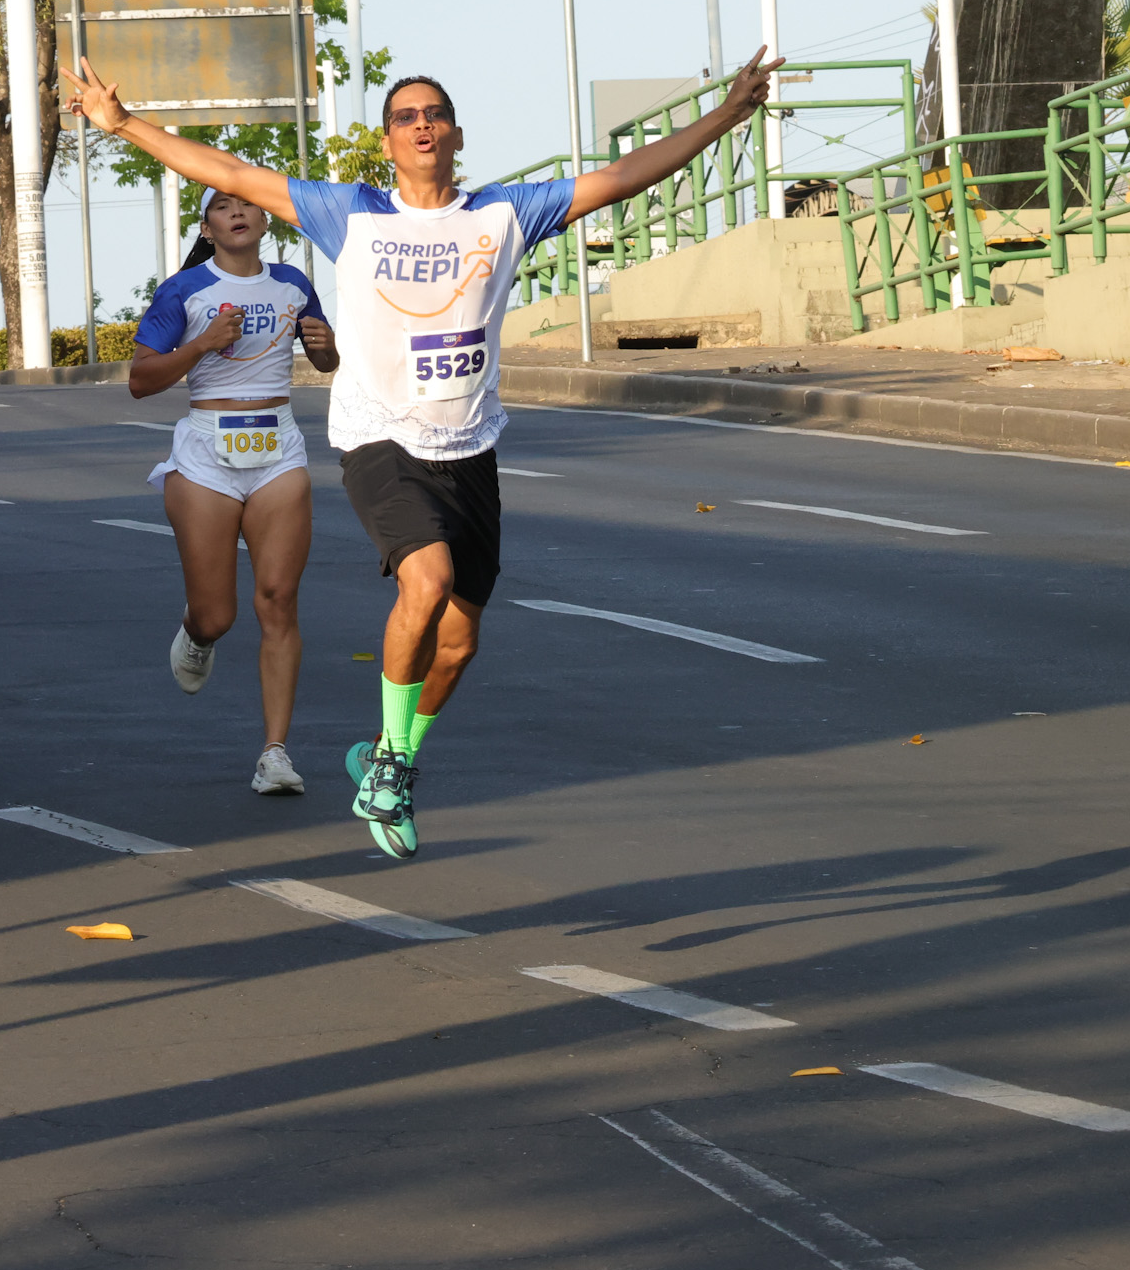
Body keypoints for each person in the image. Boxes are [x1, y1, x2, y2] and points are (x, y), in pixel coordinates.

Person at [68, 51, 784, 859]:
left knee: (460, 642)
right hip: (381, 439)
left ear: (456, 136)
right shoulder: (351, 213)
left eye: (433, 115)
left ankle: (392, 755)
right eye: (405, 117)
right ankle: (388, 769)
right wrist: (124, 124)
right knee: (427, 580)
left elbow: (620, 177)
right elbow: (231, 171)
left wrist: (726, 115)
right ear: (387, 142)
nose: (421, 126)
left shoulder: (505, 214)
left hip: (470, 446)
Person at [131, 189, 336, 793]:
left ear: (265, 218)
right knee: (218, 614)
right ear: (207, 227)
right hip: (206, 452)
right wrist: (201, 343)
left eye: (246, 204)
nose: (237, 213)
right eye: (222, 206)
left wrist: (327, 351)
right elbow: (140, 380)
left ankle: (275, 753)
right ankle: (197, 632)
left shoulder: (293, 283)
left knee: (278, 599)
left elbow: (326, 359)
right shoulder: (184, 290)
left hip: (279, 446)